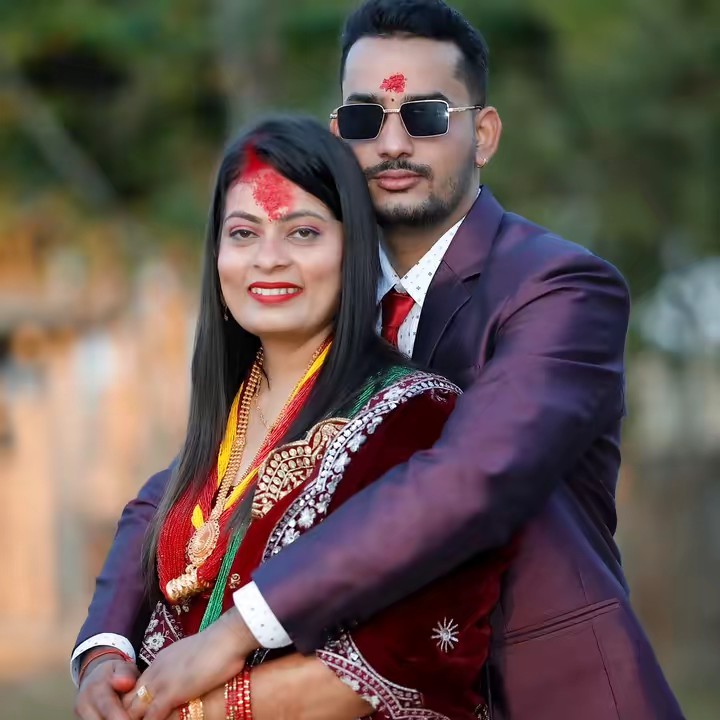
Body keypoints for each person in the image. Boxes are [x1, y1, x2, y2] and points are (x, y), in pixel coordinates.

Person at [73, 1, 684, 719]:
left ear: (484, 134)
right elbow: (202, 475)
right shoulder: (317, 292)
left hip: (541, 691)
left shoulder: (556, 288)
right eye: (366, 118)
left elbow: (467, 480)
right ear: (340, 136)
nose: (393, 144)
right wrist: (106, 646)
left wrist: (239, 630)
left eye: (425, 116)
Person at [75, 115, 515, 720]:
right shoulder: (227, 427)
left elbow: (411, 648)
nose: (269, 259)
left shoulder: (413, 416)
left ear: (353, 250)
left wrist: (197, 708)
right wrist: (104, 660)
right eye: (243, 233)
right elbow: (150, 521)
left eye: (303, 232)